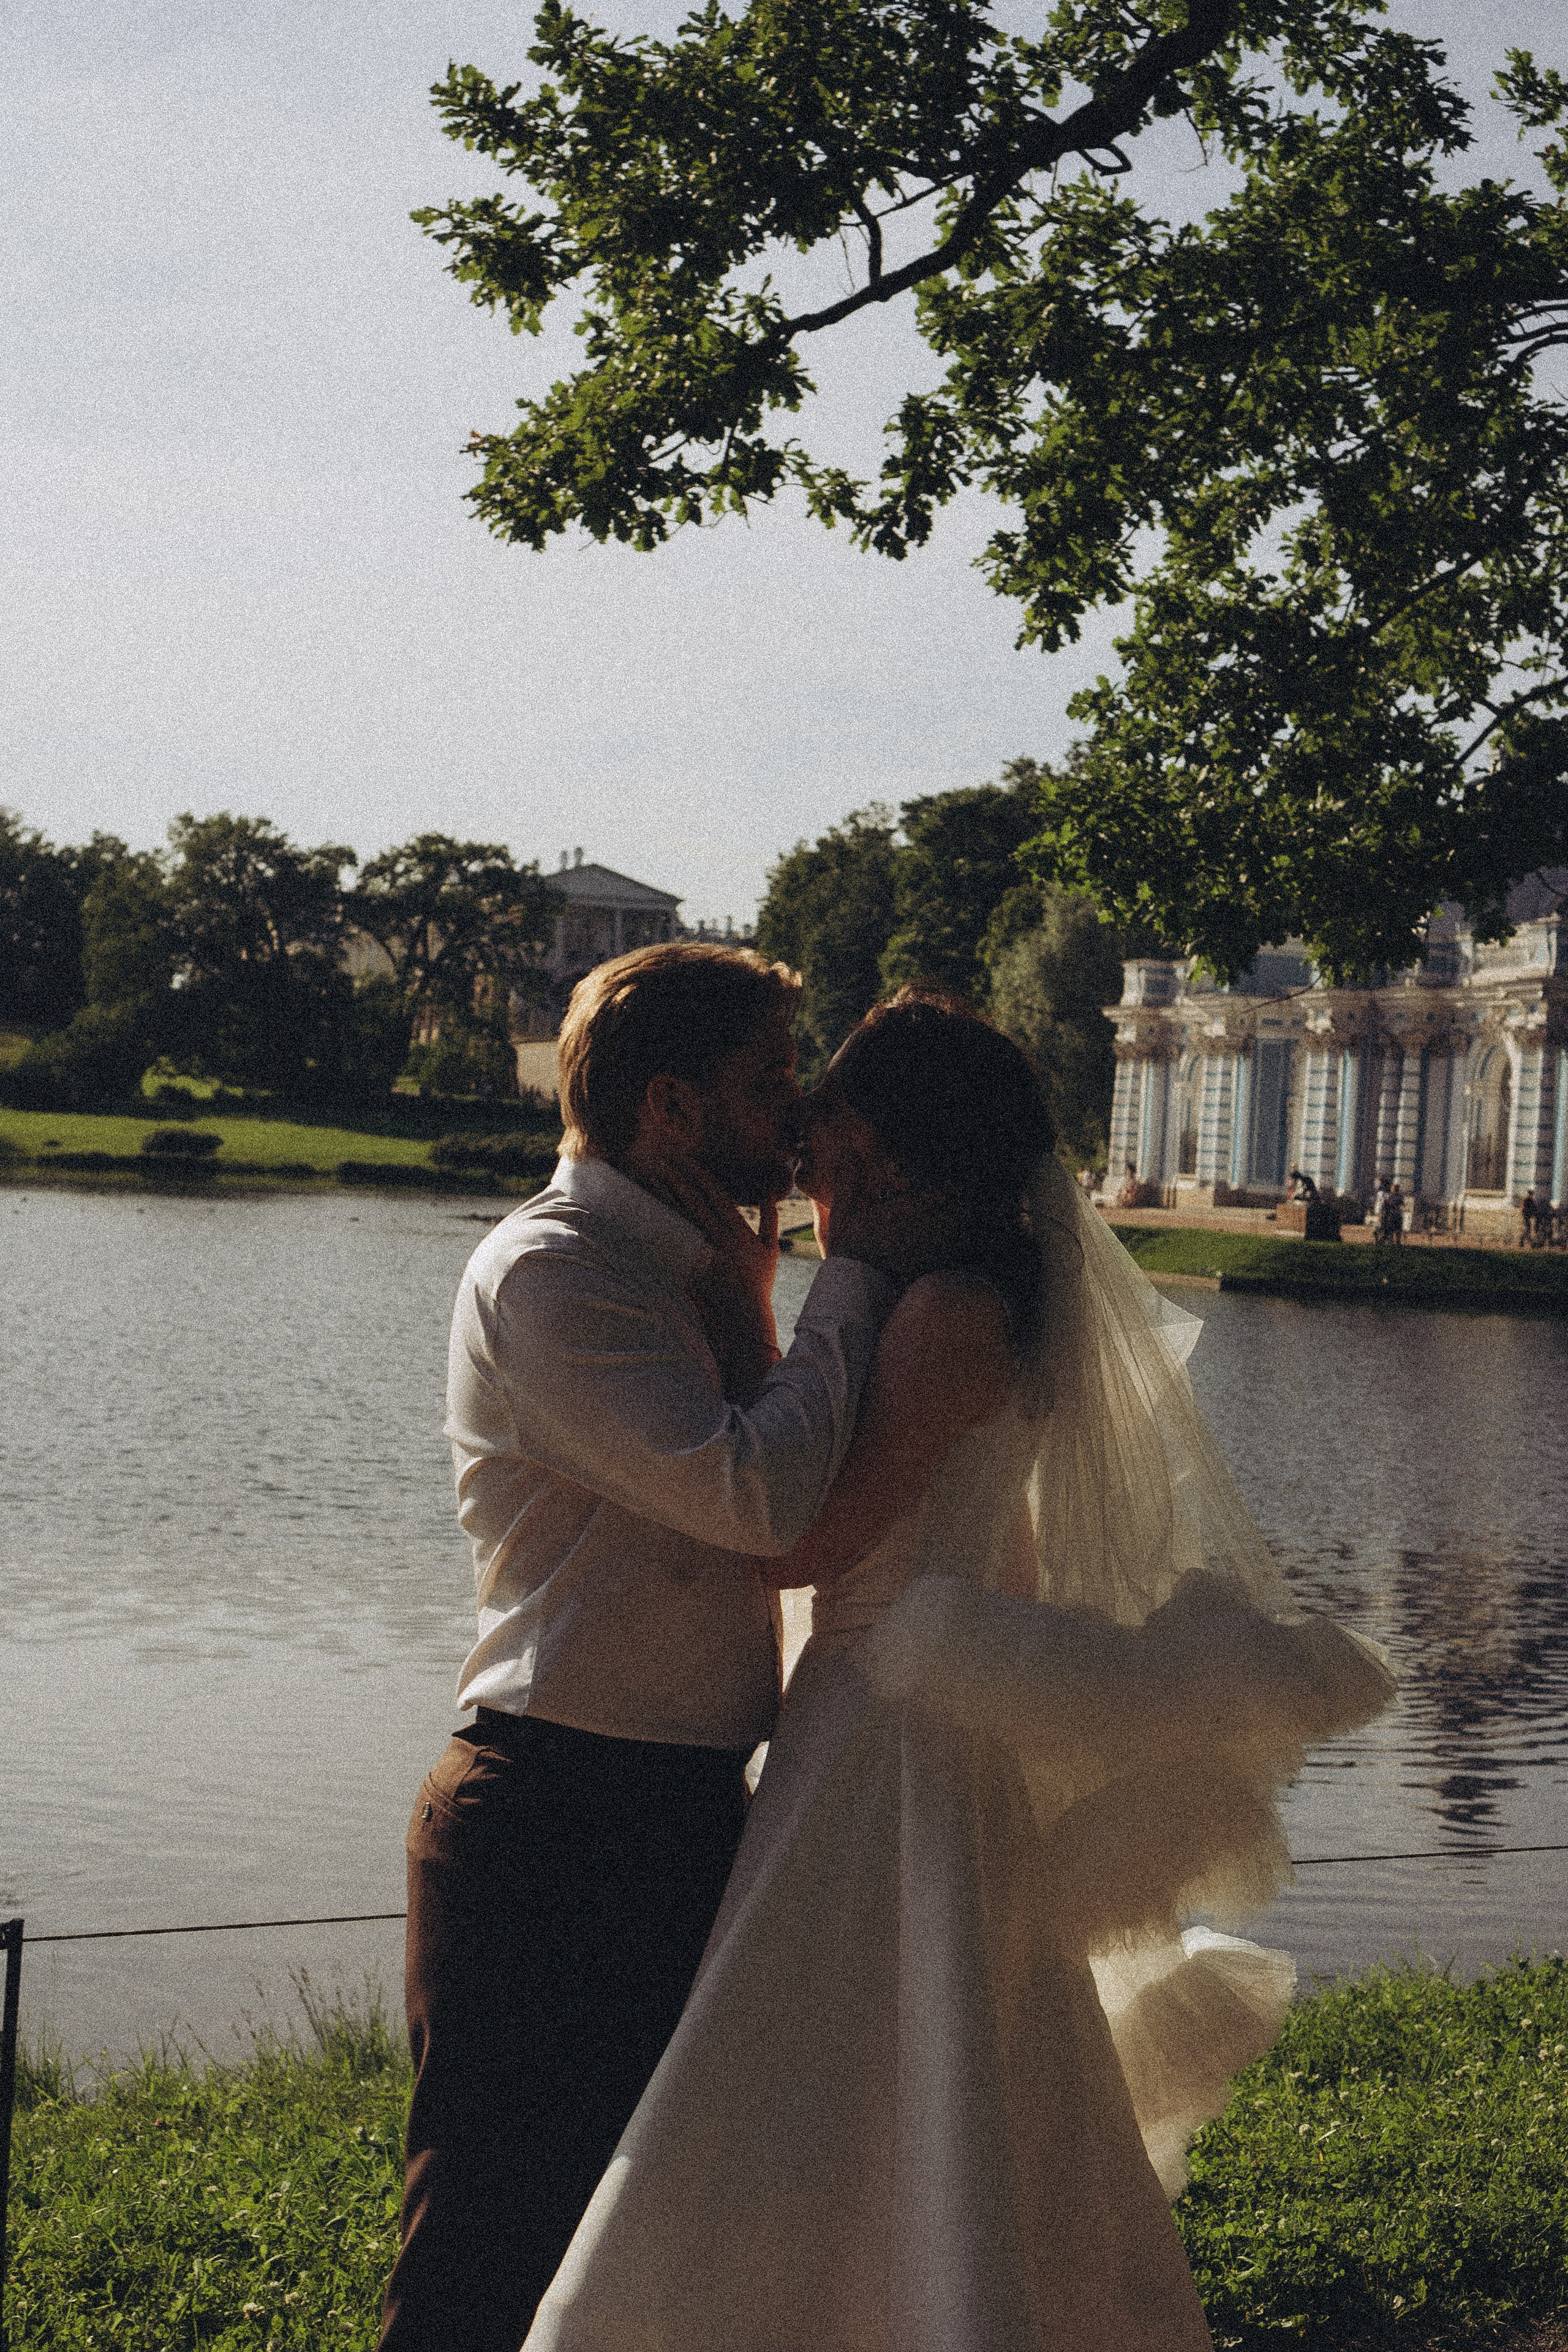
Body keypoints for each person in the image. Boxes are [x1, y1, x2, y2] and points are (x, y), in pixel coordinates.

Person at [526, 989, 1396, 2352]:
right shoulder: (980, 1297)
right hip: (908, 1709)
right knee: (918, 2065)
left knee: (840, 2052)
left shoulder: (931, 1314)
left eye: (824, 1139)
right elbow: (1017, 1566)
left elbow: (793, 1547)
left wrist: (814, 1310)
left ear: (879, 1153)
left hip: (888, 1731)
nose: (804, 1165)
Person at [379, 942, 911, 2352]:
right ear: (669, 1110)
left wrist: (758, 1284)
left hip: (669, 1809)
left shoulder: (684, 1269)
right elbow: (755, 1497)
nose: (799, 1118)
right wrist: (848, 1274)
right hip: (552, 1815)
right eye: (771, 1081)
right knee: (489, 2254)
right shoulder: (555, 1275)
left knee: (650, 2252)